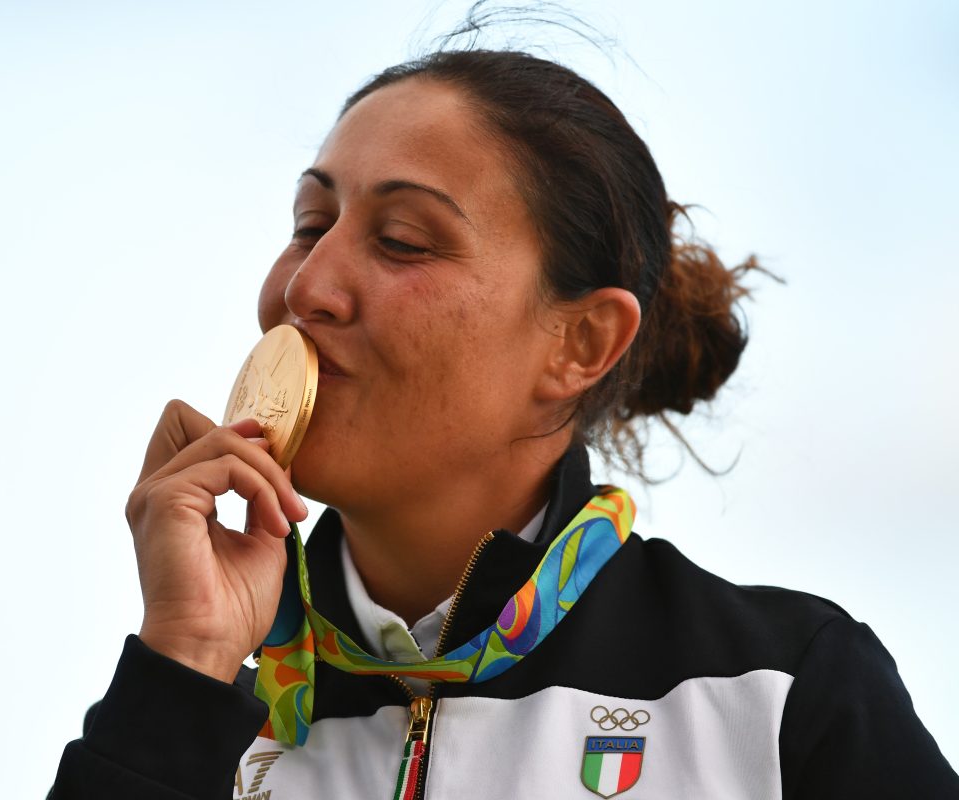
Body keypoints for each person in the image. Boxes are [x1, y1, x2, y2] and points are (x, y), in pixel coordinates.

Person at [48, 46, 958, 799]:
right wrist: (186, 661)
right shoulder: (200, 725)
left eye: (402, 239)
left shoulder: (778, 694)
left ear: (580, 343)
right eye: (309, 223)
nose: (305, 289)